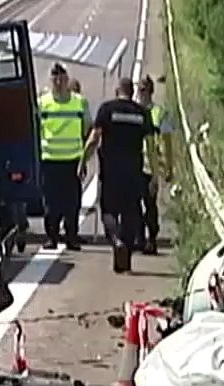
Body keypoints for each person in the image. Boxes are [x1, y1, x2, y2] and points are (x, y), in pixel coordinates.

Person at [79, 78, 161, 273]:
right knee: (131, 213)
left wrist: (83, 161)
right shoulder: (142, 113)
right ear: (132, 92)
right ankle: (125, 248)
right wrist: (156, 175)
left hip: (110, 172)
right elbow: (150, 147)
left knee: (108, 211)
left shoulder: (107, 109)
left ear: (117, 91)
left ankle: (116, 240)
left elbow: (94, 139)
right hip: (134, 172)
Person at [37, 63, 84, 250]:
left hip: (72, 160)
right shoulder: (43, 103)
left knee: (72, 202)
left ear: (66, 80)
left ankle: (72, 235)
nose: (58, 81)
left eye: (61, 78)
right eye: (54, 78)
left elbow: (86, 128)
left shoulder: (79, 102)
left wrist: (84, 159)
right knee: (51, 202)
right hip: (50, 159)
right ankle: (52, 236)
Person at [136, 75, 174, 255]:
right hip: (134, 164)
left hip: (152, 166)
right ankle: (138, 238)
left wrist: (168, 167)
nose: (142, 94)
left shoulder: (160, 113)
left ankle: (151, 238)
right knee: (134, 204)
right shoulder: (133, 111)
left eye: (145, 90)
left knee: (150, 204)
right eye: (140, 90)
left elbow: (167, 141)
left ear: (151, 92)